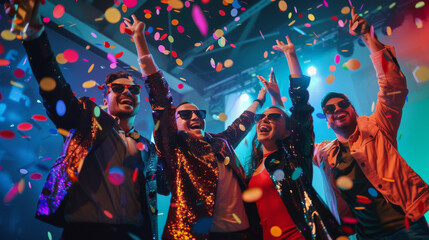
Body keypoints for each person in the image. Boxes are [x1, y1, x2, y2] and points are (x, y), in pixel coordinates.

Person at [4, 1, 169, 239]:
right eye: (117, 88)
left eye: (133, 89)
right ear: (105, 98)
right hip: (84, 232)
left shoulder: (148, 149)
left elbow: (165, 187)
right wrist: (34, 34)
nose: (127, 92)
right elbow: (54, 88)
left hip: (134, 235)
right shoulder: (85, 118)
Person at [123, 14, 265, 240]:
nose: (195, 117)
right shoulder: (174, 146)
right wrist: (140, 39)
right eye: (185, 115)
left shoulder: (220, 141)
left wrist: (259, 100)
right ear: (173, 123)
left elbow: (242, 124)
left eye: (198, 113)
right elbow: (160, 97)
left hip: (243, 233)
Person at [313, 7, 429, 240]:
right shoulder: (324, 153)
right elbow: (294, 139)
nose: (337, 110)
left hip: (408, 228)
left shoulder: (377, 127)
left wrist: (368, 37)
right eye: (329, 109)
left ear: (353, 109)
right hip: (368, 236)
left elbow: (393, 86)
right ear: (326, 121)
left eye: (342, 104)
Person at [247, 36, 346, 240]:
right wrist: (274, 101)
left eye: (273, 117)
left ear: (287, 131)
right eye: (261, 117)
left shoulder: (293, 156)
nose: (264, 120)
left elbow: (300, 109)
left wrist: (291, 56)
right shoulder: (252, 167)